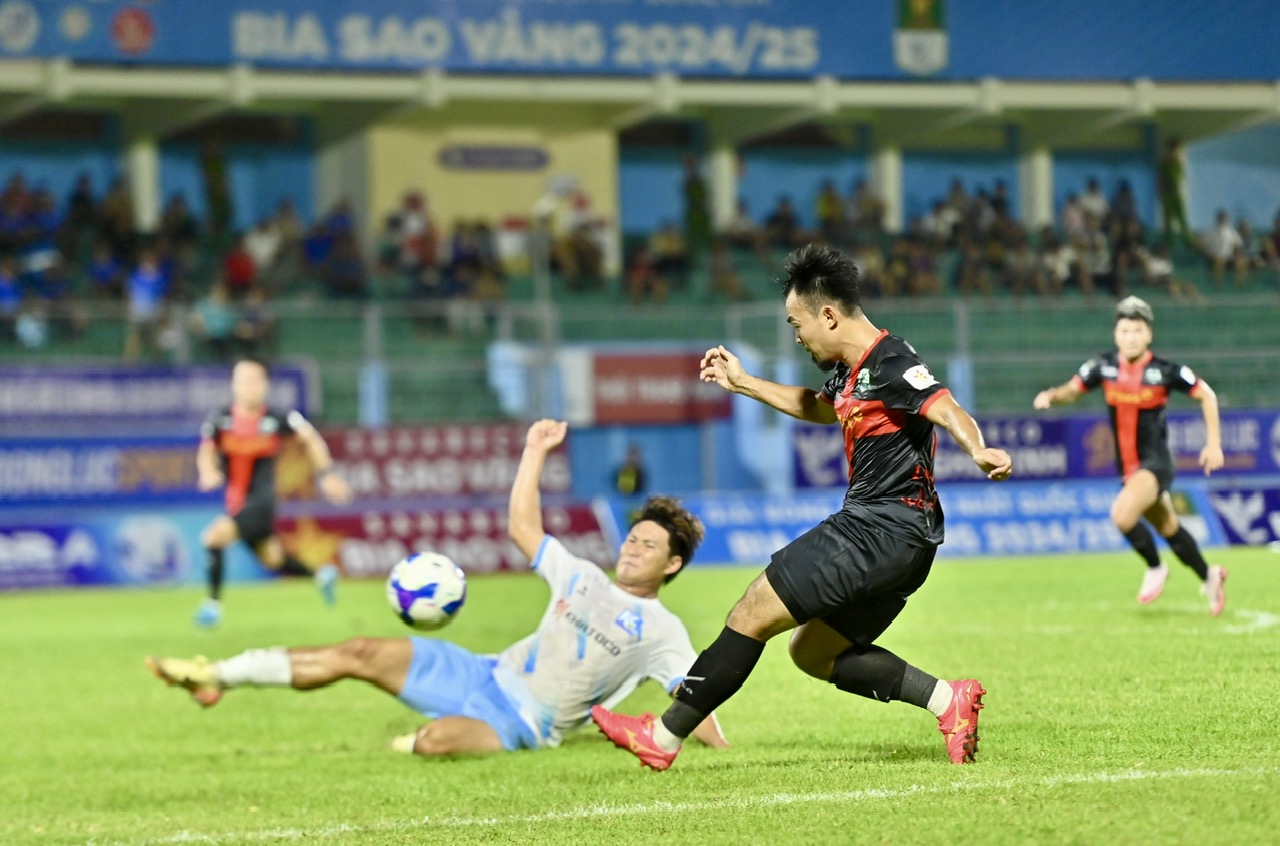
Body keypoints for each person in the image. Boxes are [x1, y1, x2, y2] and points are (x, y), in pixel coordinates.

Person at [592, 244, 1013, 771]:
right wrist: (743, 383)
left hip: (879, 528)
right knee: (812, 652)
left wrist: (977, 449)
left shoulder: (891, 361)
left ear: (829, 315)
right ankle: (948, 701)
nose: (797, 336)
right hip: (906, 544)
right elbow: (819, 406)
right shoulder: (850, 370)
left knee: (752, 610)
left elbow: (945, 406)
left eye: (797, 324)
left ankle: (664, 734)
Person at [147, 419, 729, 758]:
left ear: (673, 565)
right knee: (359, 651)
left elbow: (695, 700)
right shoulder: (580, 575)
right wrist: (532, 454)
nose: (631, 548)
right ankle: (216, 675)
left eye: (648, 547)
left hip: (520, 725)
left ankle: (419, 737)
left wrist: (720, 748)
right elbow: (523, 528)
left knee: (433, 743)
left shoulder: (662, 632)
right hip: (481, 673)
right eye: (633, 539)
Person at [1032, 296, 1227, 615]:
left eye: (1137, 330)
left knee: (1122, 515)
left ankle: (1155, 567)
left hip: (1156, 464)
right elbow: (1073, 389)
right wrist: (1052, 396)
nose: (1131, 336)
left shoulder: (1165, 371)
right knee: (1168, 528)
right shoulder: (1102, 367)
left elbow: (1207, 395)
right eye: (1125, 330)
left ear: (1149, 334)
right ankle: (1210, 575)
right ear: (1116, 334)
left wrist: (1213, 443)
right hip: (1129, 469)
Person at [193, 357, 352, 627]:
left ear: (265, 385)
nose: (248, 386)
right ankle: (320, 574)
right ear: (234, 384)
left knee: (213, 538)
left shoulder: (278, 418)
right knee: (273, 558)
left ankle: (213, 606)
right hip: (235, 502)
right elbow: (206, 451)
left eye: (254, 380)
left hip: (261, 502)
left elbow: (311, 438)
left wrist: (327, 474)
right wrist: (207, 472)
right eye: (243, 380)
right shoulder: (221, 419)